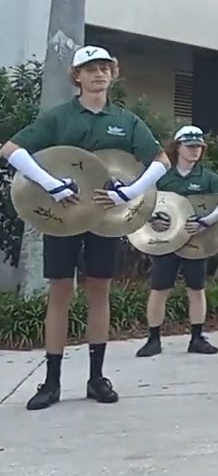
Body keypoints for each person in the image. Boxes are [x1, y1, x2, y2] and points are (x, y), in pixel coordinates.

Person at [3, 45, 169, 411]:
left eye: (105, 68)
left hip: (105, 220)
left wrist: (132, 192)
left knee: (99, 292)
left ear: (113, 74)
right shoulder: (59, 117)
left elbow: (160, 161)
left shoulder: (126, 121)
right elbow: (12, 149)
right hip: (61, 218)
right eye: (90, 68)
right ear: (76, 76)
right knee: (60, 292)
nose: (99, 74)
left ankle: (97, 377)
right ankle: (51, 381)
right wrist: (50, 184)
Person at [135, 126, 218, 358]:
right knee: (159, 288)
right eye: (190, 146)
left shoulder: (208, 178)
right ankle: (153, 339)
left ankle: (197, 337)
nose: (195, 151)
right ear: (177, 147)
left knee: (197, 288)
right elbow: (143, 201)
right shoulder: (162, 175)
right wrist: (152, 220)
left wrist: (206, 221)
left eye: (199, 147)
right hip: (165, 241)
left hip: (196, 240)